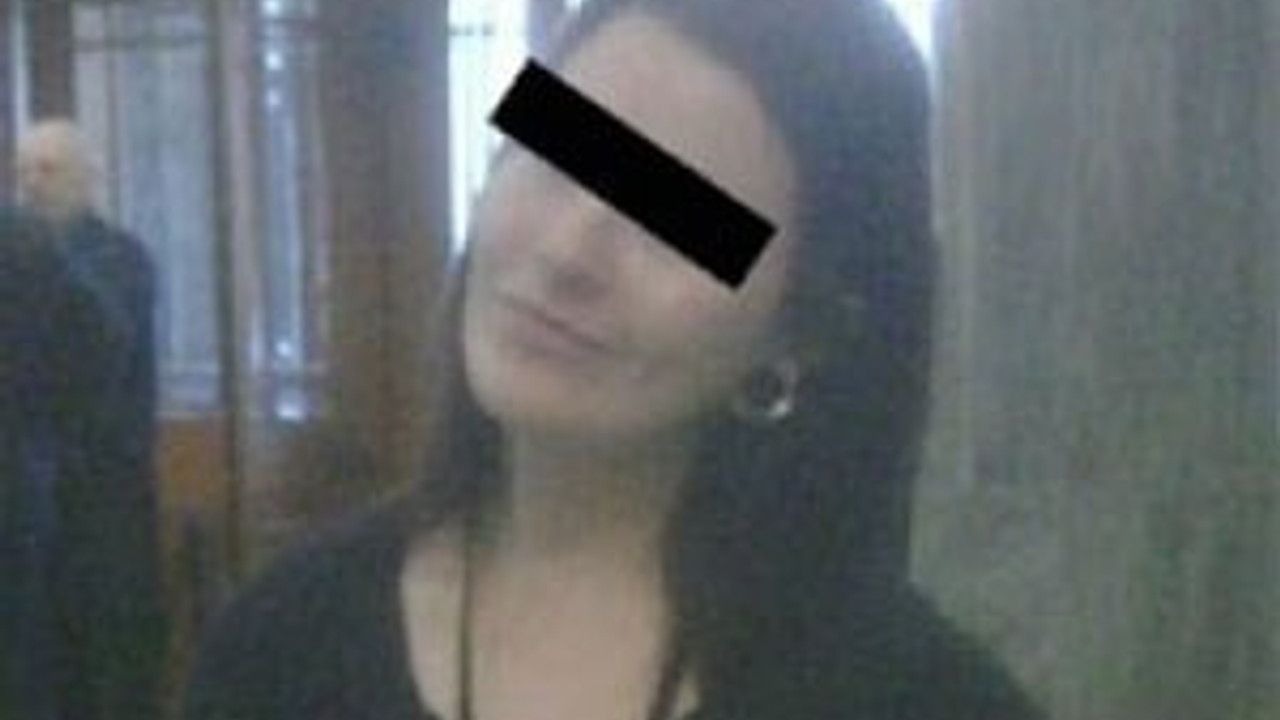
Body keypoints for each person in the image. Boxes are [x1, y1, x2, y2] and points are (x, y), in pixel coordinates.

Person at [183, 1, 1044, 719]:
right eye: (554, 158)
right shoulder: (286, 644)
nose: (567, 253)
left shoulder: (914, 698)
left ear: (802, 333)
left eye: (675, 220)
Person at [1, 119, 169, 720]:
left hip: (104, 501)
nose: (32, 186)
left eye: (48, 170)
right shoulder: (18, 264)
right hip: (33, 502)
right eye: (22, 172)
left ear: (89, 178)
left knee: (104, 669)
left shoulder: (121, 260)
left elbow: (98, 351)